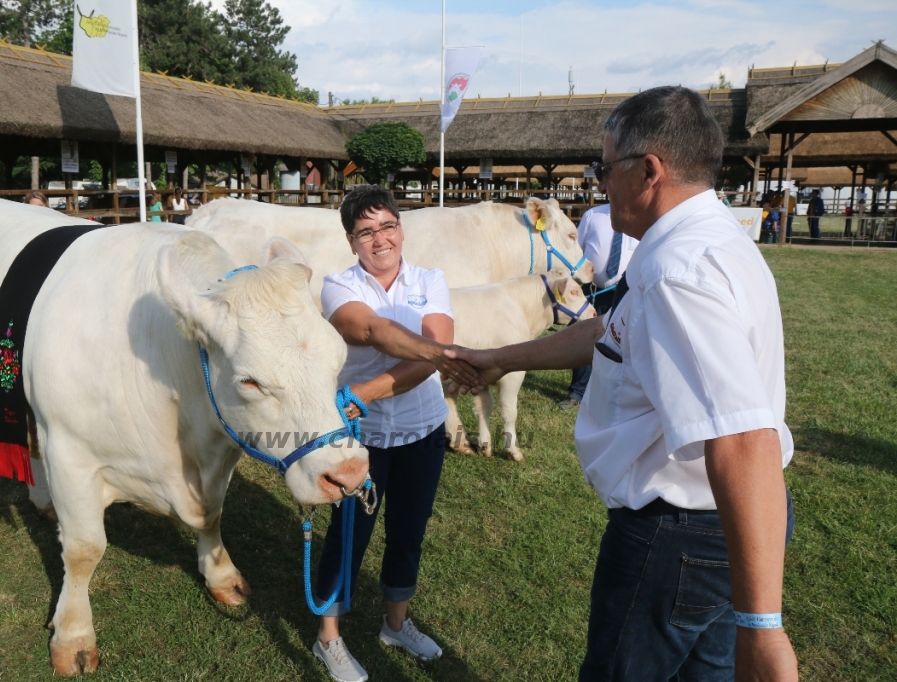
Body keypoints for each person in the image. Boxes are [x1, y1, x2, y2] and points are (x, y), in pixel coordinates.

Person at [446, 86, 797, 682]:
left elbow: (743, 440)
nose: (601, 185)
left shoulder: (675, 273)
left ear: (649, 170)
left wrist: (763, 628)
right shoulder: (700, 240)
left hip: (678, 534)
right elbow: (611, 332)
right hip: (717, 526)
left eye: (605, 169)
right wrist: (502, 357)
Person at [311, 185, 481, 682]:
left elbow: (434, 348)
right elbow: (367, 330)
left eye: (387, 225)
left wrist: (370, 387)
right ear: (351, 241)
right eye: (365, 231)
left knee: (409, 532)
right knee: (348, 536)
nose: (379, 239)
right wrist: (447, 358)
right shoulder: (338, 286)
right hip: (359, 438)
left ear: (400, 228)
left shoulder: (431, 279)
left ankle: (396, 624)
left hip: (423, 433)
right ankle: (328, 638)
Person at [562, 203, 638, 408]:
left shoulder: (639, 214)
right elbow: (576, 250)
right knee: (583, 337)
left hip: (625, 291)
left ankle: (613, 394)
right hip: (592, 290)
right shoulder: (593, 215)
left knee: (619, 341)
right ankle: (577, 392)